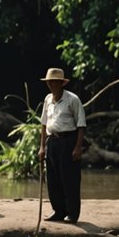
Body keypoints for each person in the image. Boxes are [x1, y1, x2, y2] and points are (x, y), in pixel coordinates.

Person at [38, 68, 86, 223]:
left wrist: (78, 147)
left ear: (61, 83)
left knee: (69, 179)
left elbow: (81, 124)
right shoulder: (47, 99)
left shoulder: (72, 99)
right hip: (52, 141)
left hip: (68, 141)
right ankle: (58, 211)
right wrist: (42, 147)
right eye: (49, 82)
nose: (51, 84)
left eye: (54, 81)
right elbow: (44, 124)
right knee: (53, 179)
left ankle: (72, 213)